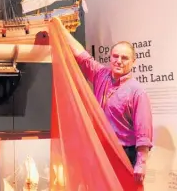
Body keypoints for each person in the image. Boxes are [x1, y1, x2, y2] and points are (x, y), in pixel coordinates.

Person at [59, 26, 153, 185]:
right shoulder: (101, 75)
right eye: (115, 56)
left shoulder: (137, 92)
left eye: (124, 58)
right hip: (101, 150)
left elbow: (143, 131)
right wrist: (61, 29)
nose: (119, 61)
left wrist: (141, 163)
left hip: (124, 153)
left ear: (133, 61)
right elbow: (82, 56)